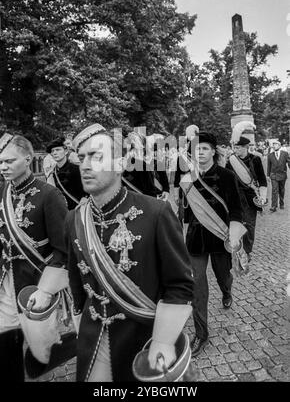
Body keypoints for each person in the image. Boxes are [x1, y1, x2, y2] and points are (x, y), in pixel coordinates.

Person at [65, 123, 194, 381]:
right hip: (93, 338)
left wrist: (164, 340)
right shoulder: (73, 219)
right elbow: (76, 282)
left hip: (143, 339)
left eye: (97, 157)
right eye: (82, 158)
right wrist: (80, 321)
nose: (86, 165)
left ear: (121, 164)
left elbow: (180, 285)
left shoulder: (156, 213)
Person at [0, 133, 68, 381]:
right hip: (6, 280)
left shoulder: (49, 195)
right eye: (0, 162)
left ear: (28, 159)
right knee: (7, 340)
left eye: (9, 161)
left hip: (36, 281)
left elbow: (64, 250)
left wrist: (48, 290)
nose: (3, 167)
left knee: (40, 345)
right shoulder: (2, 191)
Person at [177, 132, 245, 358]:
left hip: (220, 237)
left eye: (205, 148)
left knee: (223, 275)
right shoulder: (187, 179)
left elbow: (236, 208)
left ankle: (227, 290)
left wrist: (234, 235)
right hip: (196, 239)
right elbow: (183, 212)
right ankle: (201, 334)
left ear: (213, 151)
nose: (200, 152)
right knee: (197, 286)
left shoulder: (226, 175)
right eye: (197, 149)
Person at [226, 136, 267, 260]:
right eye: (235, 147)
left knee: (249, 225)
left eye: (238, 148)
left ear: (245, 148)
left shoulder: (255, 160)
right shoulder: (231, 161)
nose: (235, 150)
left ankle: (247, 251)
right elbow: (227, 180)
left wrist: (263, 197)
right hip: (235, 197)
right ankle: (237, 248)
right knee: (236, 223)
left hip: (250, 197)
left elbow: (262, 180)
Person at [46, 136, 86, 210]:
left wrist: (83, 201)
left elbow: (87, 192)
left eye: (58, 150)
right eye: (52, 151)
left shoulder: (76, 169)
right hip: (60, 211)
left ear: (66, 151)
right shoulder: (52, 173)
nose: (54, 153)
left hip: (77, 211)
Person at [267, 140, 290, 212]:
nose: (274, 146)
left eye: (276, 144)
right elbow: (269, 166)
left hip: (282, 175)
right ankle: (273, 206)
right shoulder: (270, 155)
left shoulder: (285, 154)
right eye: (273, 145)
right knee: (274, 190)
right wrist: (268, 175)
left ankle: (281, 203)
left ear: (279, 146)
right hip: (273, 175)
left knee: (281, 190)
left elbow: (289, 163)